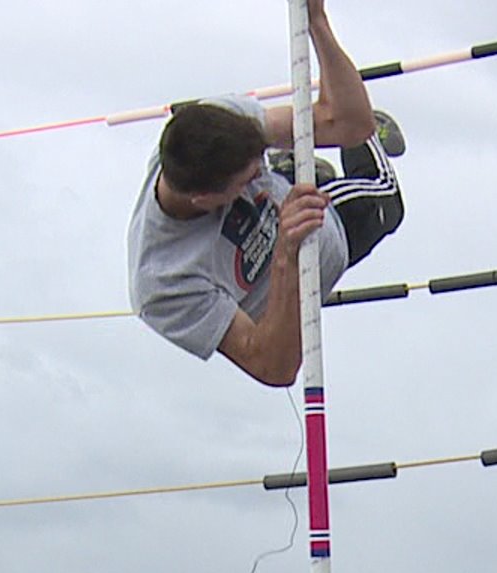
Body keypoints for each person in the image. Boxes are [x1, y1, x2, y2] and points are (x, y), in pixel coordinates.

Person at [128, 0, 406, 387]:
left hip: (323, 229)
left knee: (384, 200)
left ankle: (307, 160)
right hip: (292, 262)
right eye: (247, 180)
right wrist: (285, 256)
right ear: (205, 201)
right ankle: (290, 166)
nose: (255, 175)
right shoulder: (163, 284)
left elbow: (345, 122)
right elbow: (274, 367)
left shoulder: (219, 121)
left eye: (260, 164)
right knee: (371, 196)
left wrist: (317, 22)